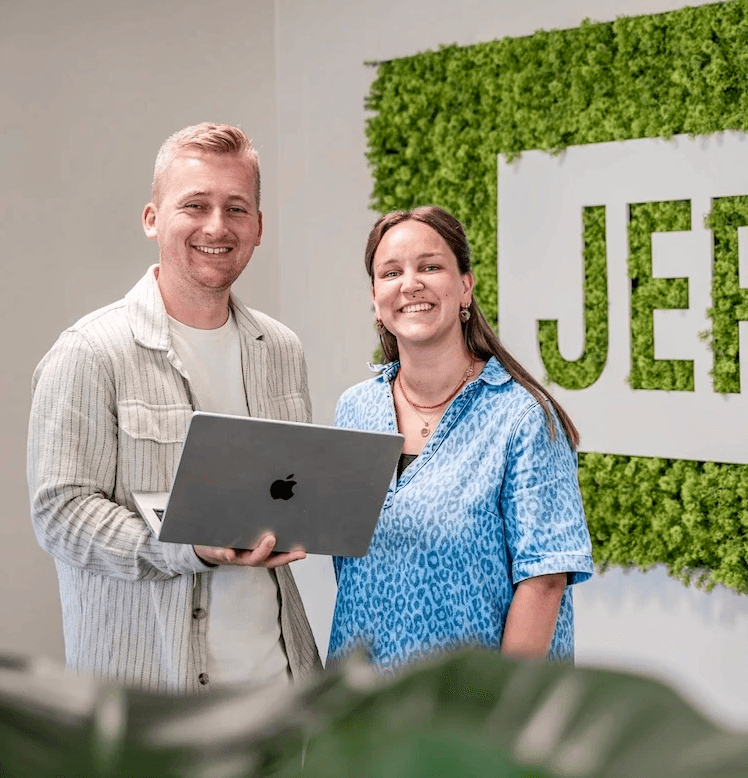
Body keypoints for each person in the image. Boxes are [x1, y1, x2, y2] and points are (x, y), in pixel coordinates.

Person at [27, 123, 320, 693]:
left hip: (281, 696)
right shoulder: (90, 352)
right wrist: (186, 545)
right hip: (157, 710)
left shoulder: (281, 350)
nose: (217, 225)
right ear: (152, 218)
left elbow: (286, 494)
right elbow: (60, 514)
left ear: (258, 227)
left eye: (237, 208)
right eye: (195, 205)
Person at [327, 206, 594, 674]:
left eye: (430, 266)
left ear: (465, 285)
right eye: (392, 272)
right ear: (375, 297)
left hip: (474, 714)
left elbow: (545, 581)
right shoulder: (355, 409)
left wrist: (493, 710)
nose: (410, 284)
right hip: (363, 711)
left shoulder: (523, 417)